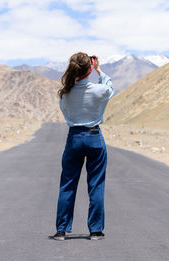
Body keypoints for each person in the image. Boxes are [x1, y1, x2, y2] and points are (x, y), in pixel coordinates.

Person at [53, 52, 114, 241]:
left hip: (74, 138)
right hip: (95, 137)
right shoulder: (99, 90)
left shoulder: (65, 93)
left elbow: (66, 112)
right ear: (89, 70)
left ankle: (61, 230)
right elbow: (110, 87)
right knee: (96, 184)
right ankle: (95, 231)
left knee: (68, 184)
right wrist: (99, 69)